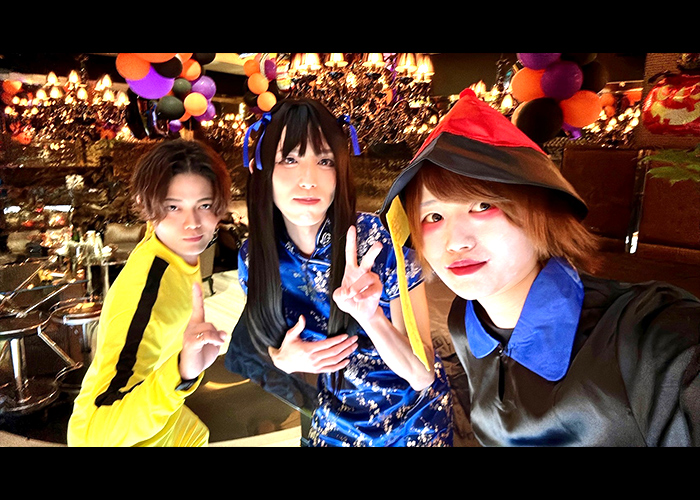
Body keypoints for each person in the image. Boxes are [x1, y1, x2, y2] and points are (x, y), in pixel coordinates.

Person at [379, 88, 700, 447]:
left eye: (482, 205)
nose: (455, 242)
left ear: (541, 214)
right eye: (433, 216)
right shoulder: (466, 322)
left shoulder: (652, 335)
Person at [225, 98, 453, 447]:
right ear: (262, 168)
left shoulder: (377, 241)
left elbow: (421, 375)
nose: (308, 180)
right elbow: (260, 341)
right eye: (289, 159)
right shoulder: (255, 258)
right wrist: (281, 360)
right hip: (334, 418)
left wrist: (371, 317)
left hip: (414, 420)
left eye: (325, 161)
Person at [67, 139, 231, 447]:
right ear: (146, 205)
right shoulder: (148, 291)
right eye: (173, 207)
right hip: (119, 436)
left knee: (198, 434)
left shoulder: (172, 248)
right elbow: (94, 432)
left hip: (162, 419)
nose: (192, 224)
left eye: (204, 205)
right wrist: (182, 371)